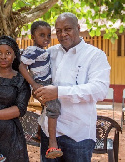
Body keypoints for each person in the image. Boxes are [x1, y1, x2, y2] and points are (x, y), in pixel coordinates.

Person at [34, 12, 111, 162]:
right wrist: (37, 91)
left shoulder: (95, 55)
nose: (63, 34)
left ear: (78, 28)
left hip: (78, 135)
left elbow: (100, 89)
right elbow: (36, 74)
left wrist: (58, 92)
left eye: (67, 29)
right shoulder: (50, 53)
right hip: (49, 132)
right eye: (58, 30)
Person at [19, 21, 63, 159]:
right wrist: (34, 84)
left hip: (46, 83)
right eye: (42, 35)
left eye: (49, 35)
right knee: (54, 107)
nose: (46, 38)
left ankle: (39, 133)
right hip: (41, 84)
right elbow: (21, 66)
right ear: (33, 36)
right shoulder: (32, 50)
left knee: (46, 110)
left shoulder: (42, 51)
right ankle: (52, 142)